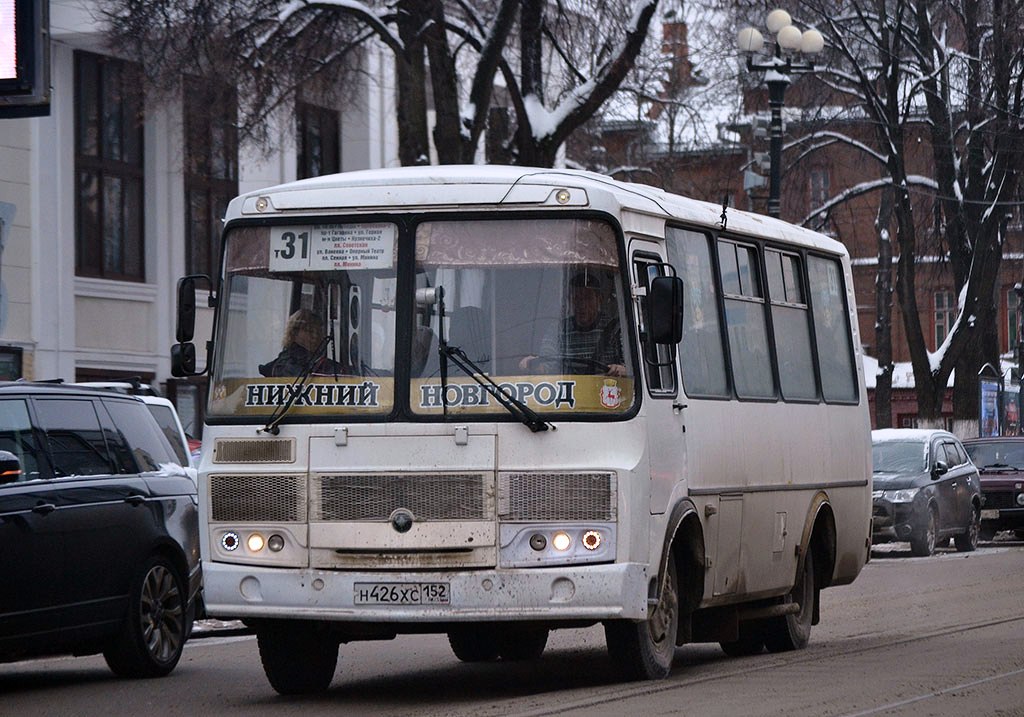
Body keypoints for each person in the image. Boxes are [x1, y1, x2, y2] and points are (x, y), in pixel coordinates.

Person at [519, 270, 626, 376]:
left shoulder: (615, 328)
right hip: (568, 391)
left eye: (587, 298)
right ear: (569, 301)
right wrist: (533, 365)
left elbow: (629, 368)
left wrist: (620, 370)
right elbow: (547, 364)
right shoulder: (559, 329)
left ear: (599, 299)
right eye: (576, 298)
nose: (582, 304)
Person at [259, 309, 340, 377]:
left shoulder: (318, 361)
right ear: (294, 333)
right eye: (310, 331)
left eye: (318, 332)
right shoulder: (286, 364)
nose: (315, 336)